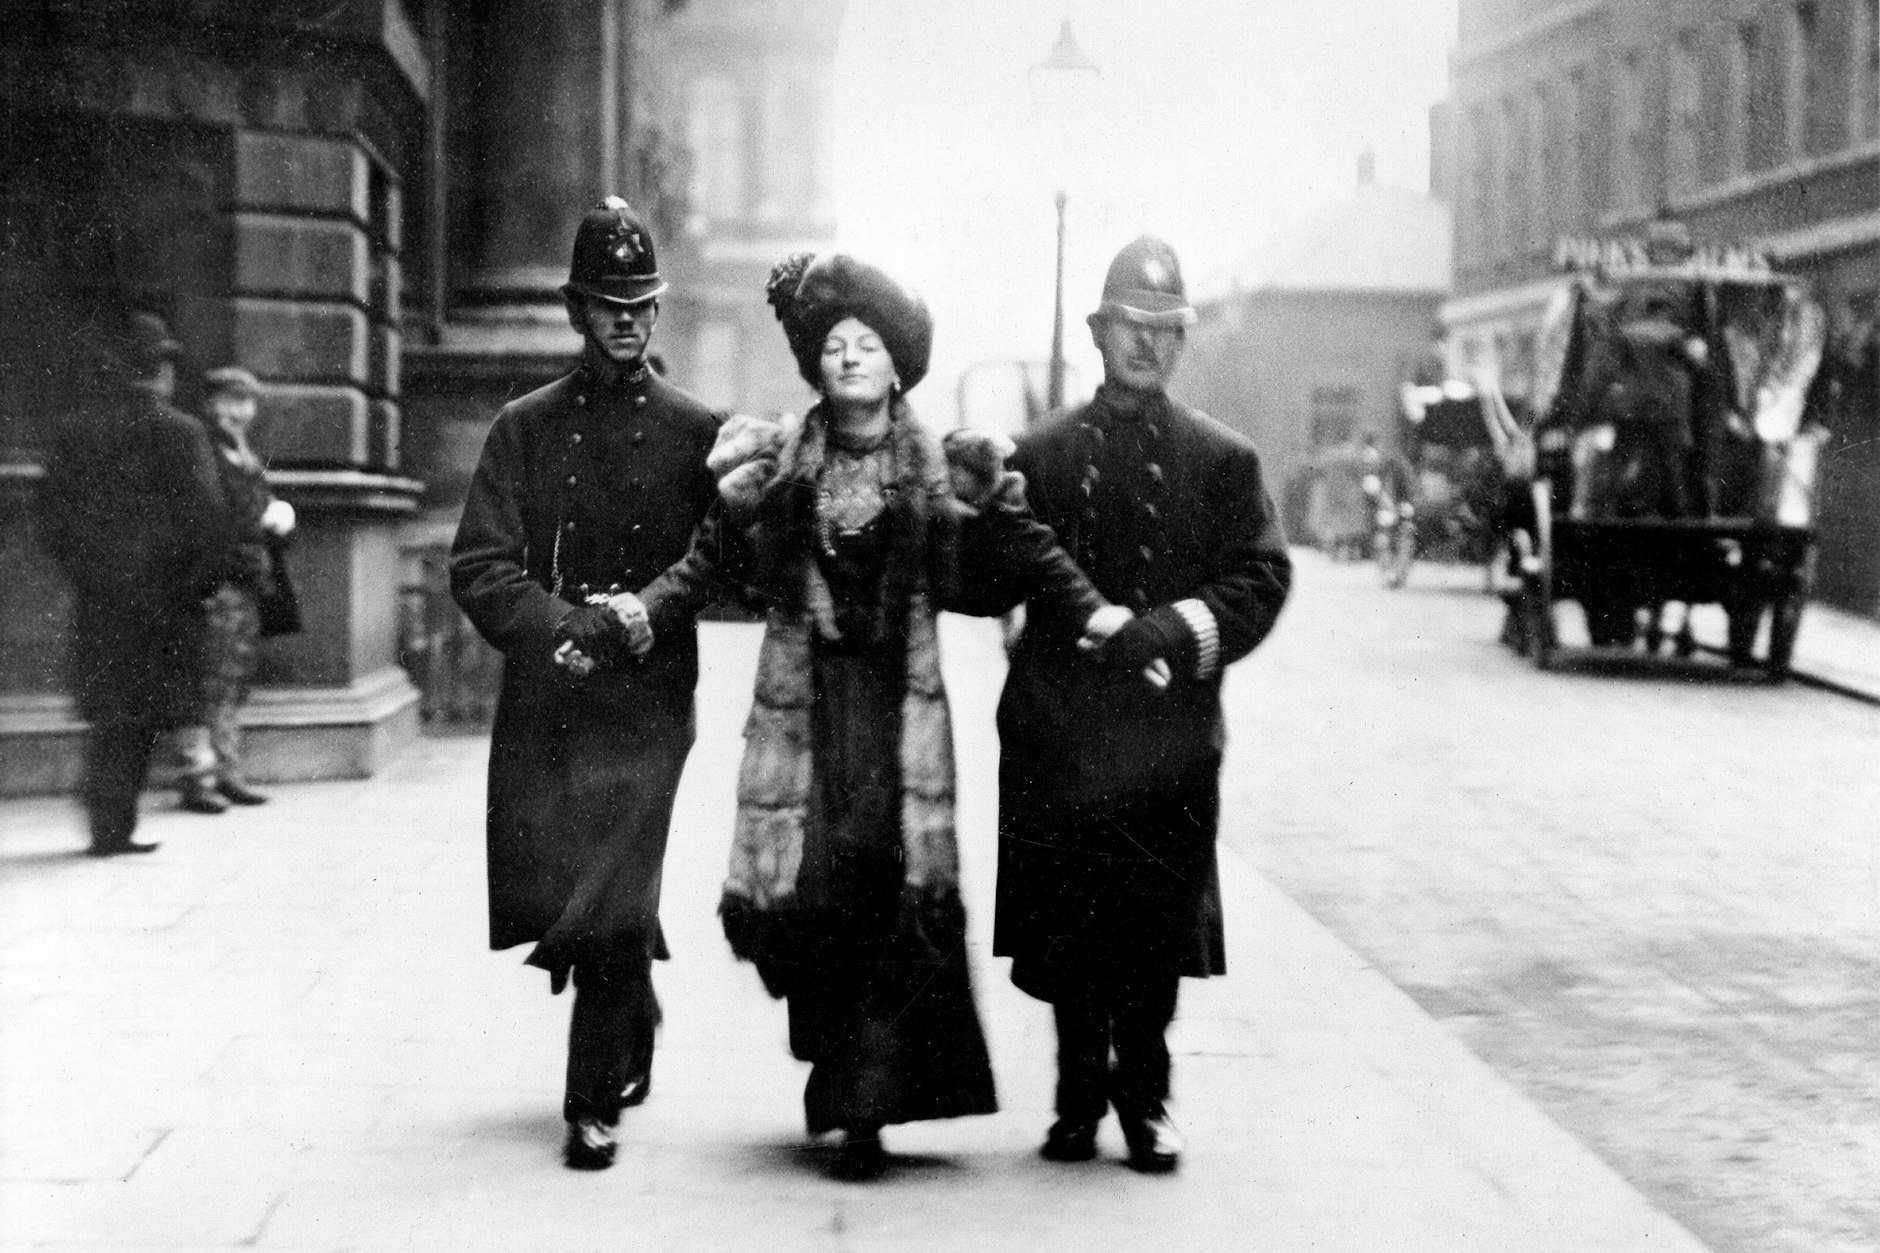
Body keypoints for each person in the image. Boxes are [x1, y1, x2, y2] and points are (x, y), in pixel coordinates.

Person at [638, 252, 1112, 1181]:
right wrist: (639, 615)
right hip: (811, 717)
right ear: (816, 367)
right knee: (817, 901)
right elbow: (705, 564)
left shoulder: (943, 475)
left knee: (888, 898)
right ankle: (843, 1088)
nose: (850, 357)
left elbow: (1022, 551)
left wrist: (1090, 608)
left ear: (899, 366)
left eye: (869, 345)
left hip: (898, 717)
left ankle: (865, 1109)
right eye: (834, 345)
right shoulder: (776, 469)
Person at [987, 236, 1292, 1173]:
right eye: (1132, 326)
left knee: (1154, 928)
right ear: (1098, 331)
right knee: (1071, 925)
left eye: (1167, 330)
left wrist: (1170, 634)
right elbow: (983, 575)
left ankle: (1146, 1101)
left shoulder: (1221, 460)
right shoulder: (1035, 456)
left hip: (1168, 737)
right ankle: (1077, 1096)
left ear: (1182, 341)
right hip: (1062, 732)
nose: (1147, 345)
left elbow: (1262, 576)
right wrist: (970, 507)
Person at [450, 197, 724, 1172]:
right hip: (551, 692)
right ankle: (633, 1004)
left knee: (611, 885)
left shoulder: (699, 431)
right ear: (574, 309)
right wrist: (561, 627)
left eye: (642, 303)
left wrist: (643, 614)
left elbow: (724, 566)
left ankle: (588, 1097)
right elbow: (479, 564)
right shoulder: (522, 428)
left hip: (648, 699)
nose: (627, 319)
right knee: (573, 885)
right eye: (608, 303)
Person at [38, 310, 228, 856]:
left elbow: (52, 519)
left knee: (109, 715)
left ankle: (108, 827)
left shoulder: (74, 431)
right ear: (161, 371)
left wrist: (86, 576)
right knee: (145, 713)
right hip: (166, 604)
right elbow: (210, 523)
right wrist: (197, 590)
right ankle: (116, 827)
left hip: (101, 601)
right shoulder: (183, 431)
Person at [173, 366, 296, 813]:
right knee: (205, 680)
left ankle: (226, 772)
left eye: (245, 402)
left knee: (231, 681)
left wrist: (277, 515)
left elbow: (254, 504)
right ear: (208, 404)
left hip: (245, 582)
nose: (238, 411)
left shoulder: (241, 453)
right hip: (214, 582)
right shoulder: (202, 450)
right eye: (228, 400)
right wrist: (260, 521)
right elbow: (205, 515)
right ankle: (198, 778)